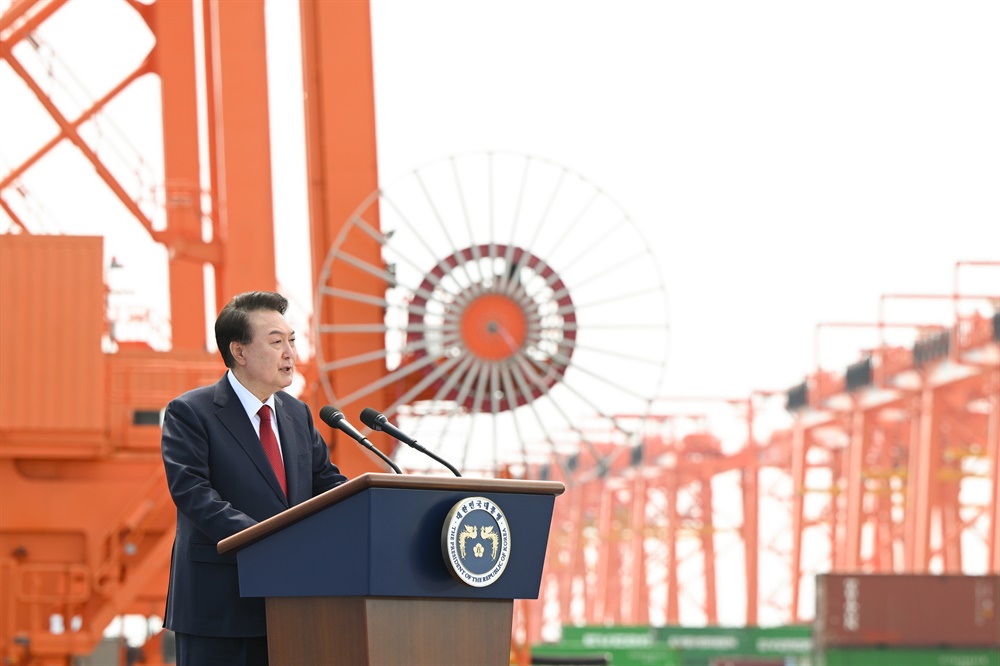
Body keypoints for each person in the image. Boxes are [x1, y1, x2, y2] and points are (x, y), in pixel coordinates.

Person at [160, 291, 348, 665]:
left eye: (292, 340)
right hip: (218, 608)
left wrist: (374, 505)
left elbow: (326, 483)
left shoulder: (298, 414)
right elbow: (193, 493)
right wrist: (265, 541)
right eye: (276, 342)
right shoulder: (190, 413)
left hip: (292, 607)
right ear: (240, 352)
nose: (290, 353)